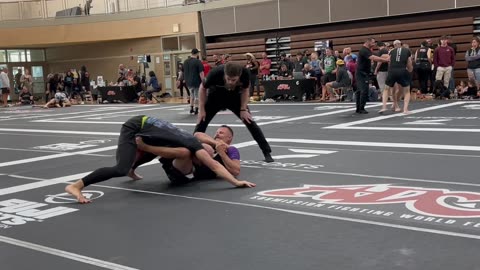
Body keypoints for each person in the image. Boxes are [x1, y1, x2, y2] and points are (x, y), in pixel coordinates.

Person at [65, 116, 255, 203]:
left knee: (159, 150)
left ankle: (133, 167)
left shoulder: (190, 143)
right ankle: (77, 186)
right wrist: (236, 182)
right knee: (120, 168)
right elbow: (214, 165)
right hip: (135, 126)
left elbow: (212, 162)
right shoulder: (194, 146)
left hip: (150, 126)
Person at [194, 61, 274, 163]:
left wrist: (243, 109)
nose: (231, 82)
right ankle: (191, 151)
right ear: (224, 74)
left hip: (234, 97)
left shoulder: (245, 73)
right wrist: (201, 109)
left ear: (239, 76)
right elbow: (202, 88)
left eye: (234, 80)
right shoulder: (215, 73)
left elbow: (245, 90)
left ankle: (266, 152)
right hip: (215, 97)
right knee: (201, 122)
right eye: (228, 79)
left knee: (250, 122)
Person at [132, 125, 241, 185]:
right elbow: (197, 134)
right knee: (166, 143)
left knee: (185, 152)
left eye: (221, 133)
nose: (217, 134)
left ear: (229, 138)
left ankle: (145, 147)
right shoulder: (209, 142)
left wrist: (222, 153)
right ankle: (132, 167)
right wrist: (215, 143)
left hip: (183, 175)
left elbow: (235, 171)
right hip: (176, 164)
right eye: (216, 132)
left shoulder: (231, 150)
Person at [355, 37, 390, 114]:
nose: (374, 44)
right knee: (364, 90)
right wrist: (386, 60)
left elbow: (374, 56)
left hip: (363, 72)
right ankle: (361, 108)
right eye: (373, 43)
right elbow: (373, 58)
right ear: (368, 42)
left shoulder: (367, 50)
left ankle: (359, 108)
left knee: (359, 90)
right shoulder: (364, 50)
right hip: (362, 73)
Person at [379, 40, 413, 114]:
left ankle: (384, 107)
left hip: (392, 71)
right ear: (401, 44)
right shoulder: (407, 51)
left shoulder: (391, 51)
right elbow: (409, 62)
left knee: (386, 89)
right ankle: (405, 109)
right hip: (402, 70)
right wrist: (410, 70)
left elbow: (389, 61)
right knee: (406, 90)